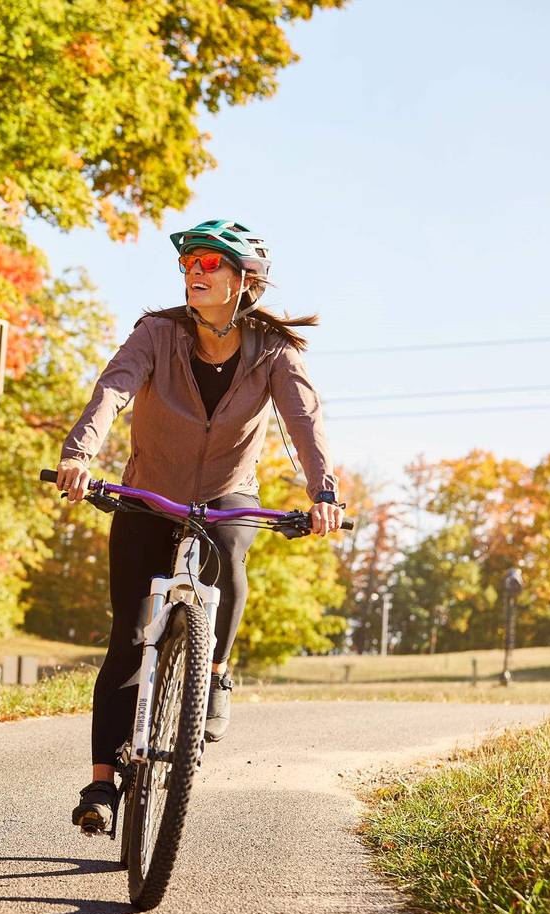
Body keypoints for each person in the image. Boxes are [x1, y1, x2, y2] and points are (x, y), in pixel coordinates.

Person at [55, 219, 342, 833]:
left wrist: (323, 492)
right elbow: (113, 389)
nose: (195, 271)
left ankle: (213, 672)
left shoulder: (275, 352)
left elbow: (304, 422)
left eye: (210, 262)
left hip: (226, 494)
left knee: (230, 555)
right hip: (148, 495)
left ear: (245, 280)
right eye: (189, 263)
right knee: (128, 637)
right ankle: (102, 784)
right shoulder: (156, 334)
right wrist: (79, 455)